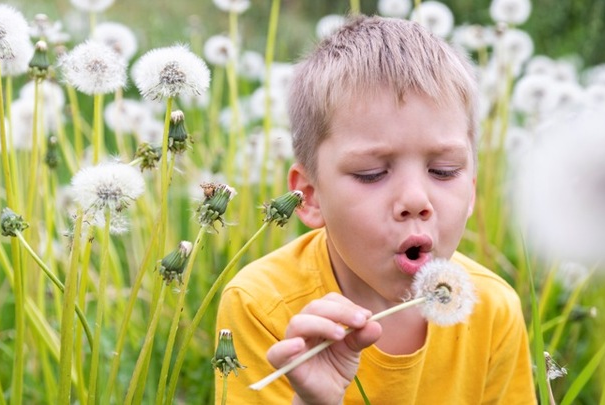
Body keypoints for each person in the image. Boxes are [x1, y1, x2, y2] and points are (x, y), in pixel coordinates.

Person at [216, 15, 536, 404]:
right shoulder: (262, 305)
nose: (416, 200)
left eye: (443, 171)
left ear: (471, 192)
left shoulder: (494, 309)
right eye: (371, 174)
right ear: (310, 196)